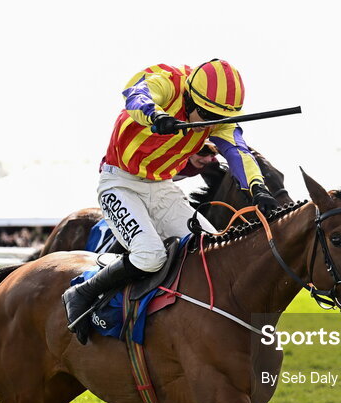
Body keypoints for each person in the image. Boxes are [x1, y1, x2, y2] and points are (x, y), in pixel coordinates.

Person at [63, 60, 280, 343]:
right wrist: (156, 115)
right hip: (119, 182)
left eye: (215, 117)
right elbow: (135, 94)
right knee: (151, 256)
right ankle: (82, 293)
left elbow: (239, 153)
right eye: (204, 114)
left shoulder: (216, 115)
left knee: (211, 250)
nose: (207, 123)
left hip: (161, 187)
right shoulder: (167, 81)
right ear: (190, 96)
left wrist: (258, 188)